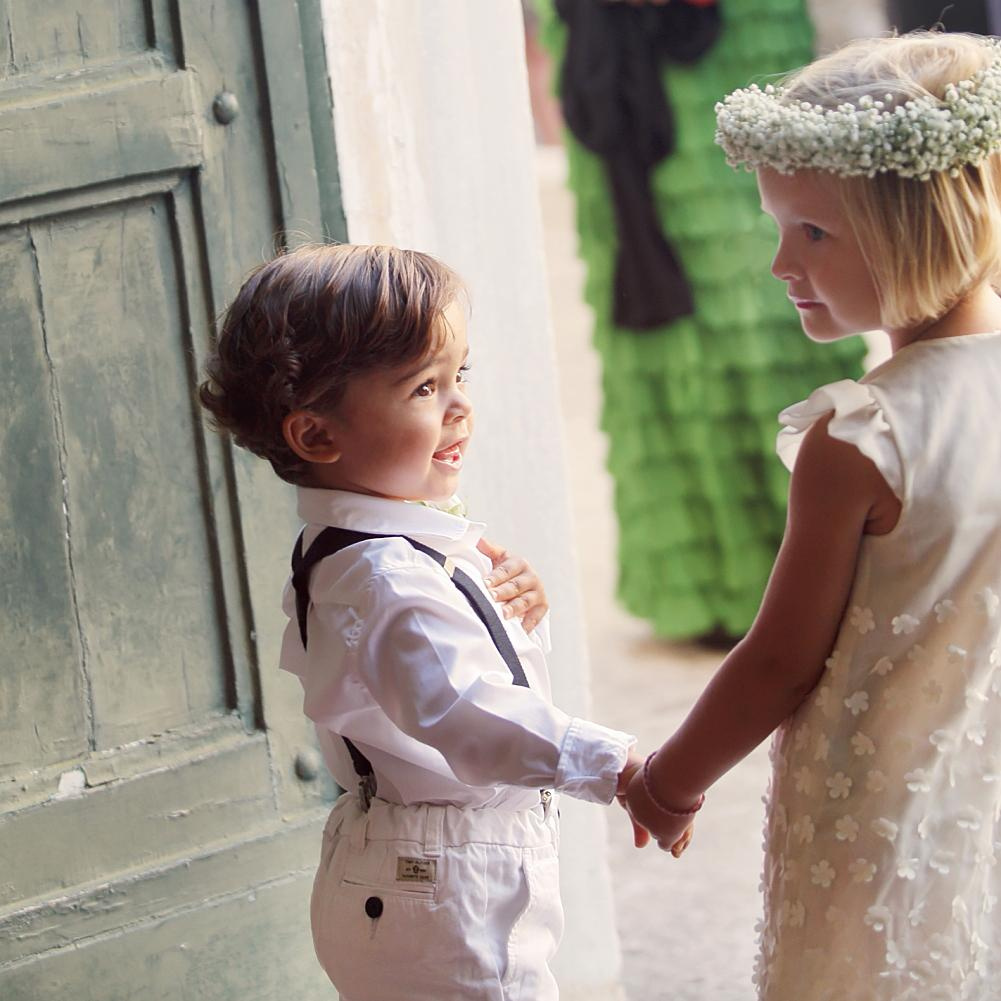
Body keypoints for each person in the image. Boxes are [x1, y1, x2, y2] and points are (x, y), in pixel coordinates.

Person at [623, 30, 1001, 1000]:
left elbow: (778, 661)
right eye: (777, 227)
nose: (779, 263)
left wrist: (668, 781)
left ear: (920, 224)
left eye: (812, 233)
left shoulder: (861, 438)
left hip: (876, 816)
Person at [198, 243, 646, 1001]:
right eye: (424, 387)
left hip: (415, 870)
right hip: (444, 886)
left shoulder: (366, 545)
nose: (460, 405)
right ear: (317, 436)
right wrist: (618, 768)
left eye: (460, 374)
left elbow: (437, 674)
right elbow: (463, 708)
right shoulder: (384, 575)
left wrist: (518, 612)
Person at [538, 0, 866, 643]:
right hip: (614, 30)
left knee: (771, 276)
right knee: (672, 304)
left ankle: (817, 561)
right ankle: (721, 585)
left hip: (748, 26)